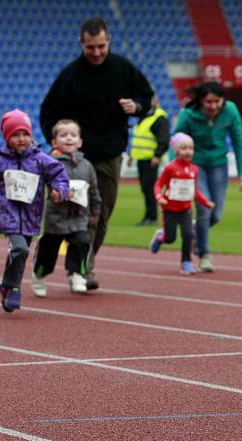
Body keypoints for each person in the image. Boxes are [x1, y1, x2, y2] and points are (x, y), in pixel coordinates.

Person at [40, 17, 154, 290]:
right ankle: (69, 268)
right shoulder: (70, 75)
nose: (96, 52)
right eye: (90, 47)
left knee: (99, 215)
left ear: (108, 41)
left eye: (101, 46)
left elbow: (146, 97)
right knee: (65, 215)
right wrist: (56, 145)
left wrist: (136, 106)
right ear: (81, 43)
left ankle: (83, 266)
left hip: (109, 155)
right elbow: (47, 112)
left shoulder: (123, 68)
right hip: (74, 159)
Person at [0, 110, 69, 313]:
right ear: (7, 137)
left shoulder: (40, 160)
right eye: (15, 135)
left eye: (25, 134)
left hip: (31, 216)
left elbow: (59, 175)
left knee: (21, 252)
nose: (21, 139)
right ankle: (14, 287)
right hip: (8, 215)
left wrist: (59, 192)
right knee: (20, 249)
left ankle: (6, 286)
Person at [173, 81, 242, 273]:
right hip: (195, 163)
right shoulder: (187, 114)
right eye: (209, 102)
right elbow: (176, 140)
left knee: (216, 215)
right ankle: (204, 254)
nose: (213, 106)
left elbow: (239, 140)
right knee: (204, 207)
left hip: (218, 163)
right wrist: (175, 170)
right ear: (200, 101)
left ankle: (192, 232)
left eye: (217, 101)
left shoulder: (230, 111)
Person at [31, 119, 101, 297]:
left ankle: (76, 274)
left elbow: (93, 189)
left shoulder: (87, 165)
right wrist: (53, 194)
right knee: (49, 250)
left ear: (80, 141)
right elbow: (39, 186)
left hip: (79, 216)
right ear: (54, 142)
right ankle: (39, 275)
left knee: (82, 242)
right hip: (56, 217)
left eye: (73, 135)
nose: (69, 138)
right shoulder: (49, 163)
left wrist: (95, 210)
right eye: (63, 135)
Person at [149, 132, 215, 275]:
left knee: (187, 234)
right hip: (170, 209)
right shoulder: (170, 168)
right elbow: (158, 185)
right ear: (176, 151)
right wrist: (159, 197)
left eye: (190, 148)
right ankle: (161, 236)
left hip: (185, 209)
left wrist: (205, 202)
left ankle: (186, 262)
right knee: (170, 238)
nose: (188, 151)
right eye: (184, 148)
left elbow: (194, 191)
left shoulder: (194, 170)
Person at [129, 95, 169, 226]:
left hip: (151, 159)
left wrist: (157, 155)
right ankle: (148, 216)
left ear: (154, 101)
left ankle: (151, 217)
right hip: (141, 158)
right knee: (145, 188)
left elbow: (163, 139)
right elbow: (138, 138)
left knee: (150, 188)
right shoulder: (143, 116)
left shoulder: (159, 117)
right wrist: (131, 155)